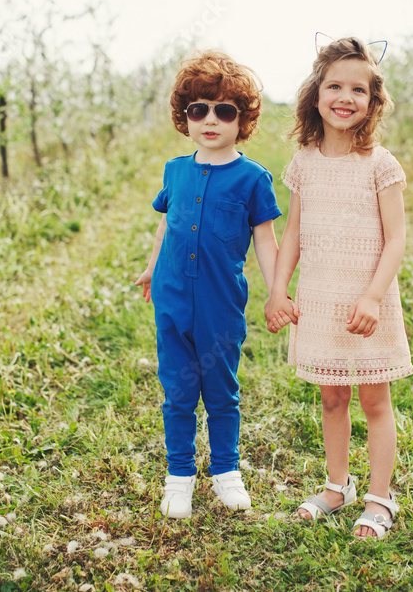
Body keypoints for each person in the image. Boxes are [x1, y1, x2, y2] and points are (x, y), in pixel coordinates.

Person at [264, 36, 413, 539]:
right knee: (332, 398)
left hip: (367, 301)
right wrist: (279, 289)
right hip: (321, 299)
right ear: (316, 94)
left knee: (374, 400)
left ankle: (379, 497)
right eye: (334, 86)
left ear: (373, 102)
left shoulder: (379, 163)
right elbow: (294, 234)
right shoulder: (304, 161)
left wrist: (372, 295)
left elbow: (396, 239)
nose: (345, 97)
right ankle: (337, 485)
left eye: (358, 89)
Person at [135, 50, 281, 519]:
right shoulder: (175, 170)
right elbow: (167, 223)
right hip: (172, 301)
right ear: (185, 117)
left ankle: (226, 473)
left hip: (220, 306)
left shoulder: (253, 179)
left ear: (243, 120)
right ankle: (178, 478)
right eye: (199, 109)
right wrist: (151, 266)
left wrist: (278, 291)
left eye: (224, 110)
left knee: (221, 392)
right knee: (177, 392)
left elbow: (265, 242)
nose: (210, 120)